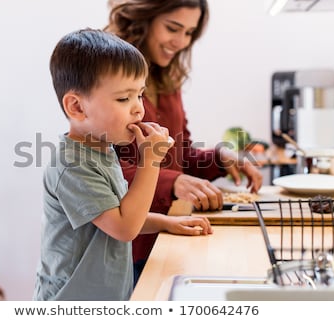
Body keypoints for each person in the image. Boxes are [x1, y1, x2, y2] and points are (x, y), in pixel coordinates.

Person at [33, 28, 212, 301]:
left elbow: (114, 214)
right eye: (123, 98)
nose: (138, 108)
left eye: (139, 95)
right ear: (77, 107)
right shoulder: (72, 163)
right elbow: (124, 227)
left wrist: (166, 223)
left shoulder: (102, 150)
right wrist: (150, 160)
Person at [105, 0, 263, 282]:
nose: (180, 41)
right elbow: (100, 167)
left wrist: (220, 158)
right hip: (122, 249)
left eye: (189, 32)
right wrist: (171, 181)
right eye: (172, 28)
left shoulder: (167, 78)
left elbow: (180, 155)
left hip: (165, 238)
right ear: (144, 18)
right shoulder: (108, 75)